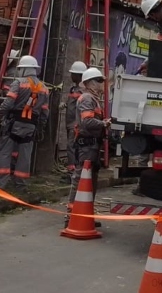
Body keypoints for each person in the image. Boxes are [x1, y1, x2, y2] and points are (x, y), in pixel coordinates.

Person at [0, 55, 50, 190]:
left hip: (13, 123)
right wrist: (40, 128)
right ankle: (21, 185)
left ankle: (1, 184)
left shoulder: (18, 83)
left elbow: (7, 104)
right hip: (31, 126)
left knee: (5, 152)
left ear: (24, 69)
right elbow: (44, 112)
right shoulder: (44, 88)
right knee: (25, 155)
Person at [67, 67, 110, 227]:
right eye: (99, 81)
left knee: (90, 183)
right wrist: (104, 123)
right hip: (86, 146)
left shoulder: (93, 99)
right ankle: (71, 217)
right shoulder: (87, 99)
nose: (101, 84)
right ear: (89, 83)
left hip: (92, 146)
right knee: (80, 181)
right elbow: (87, 122)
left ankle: (86, 216)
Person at [59, 61, 87, 183]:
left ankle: (73, 175)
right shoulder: (74, 89)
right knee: (71, 148)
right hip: (70, 123)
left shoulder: (81, 90)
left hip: (75, 125)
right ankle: (72, 173)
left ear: (78, 75)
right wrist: (65, 104)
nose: (71, 76)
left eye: (72, 74)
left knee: (72, 148)